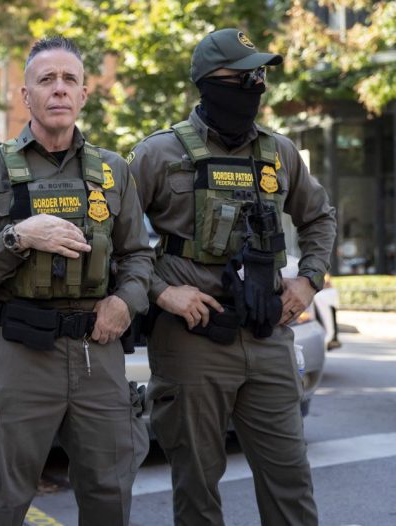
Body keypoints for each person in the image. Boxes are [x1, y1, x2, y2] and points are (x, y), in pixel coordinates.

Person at [127, 28, 336, 525]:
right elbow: (116, 241)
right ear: (208, 82)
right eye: (243, 77)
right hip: (192, 340)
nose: (256, 86)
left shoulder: (279, 152)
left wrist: (309, 279)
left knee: (291, 485)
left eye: (260, 76)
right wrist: (162, 292)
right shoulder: (157, 154)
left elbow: (320, 216)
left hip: (267, 336)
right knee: (197, 490)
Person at [0, 36, 154, 526]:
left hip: (96, 353)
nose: (58, 89)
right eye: (46, 80)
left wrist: (125, 302)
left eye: (69, 80)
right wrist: (17, 237)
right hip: (19, 353)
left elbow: (138, 257)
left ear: (84, 95)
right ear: (26, 96)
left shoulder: (113, 170)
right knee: (1, 501)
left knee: (109, 496)